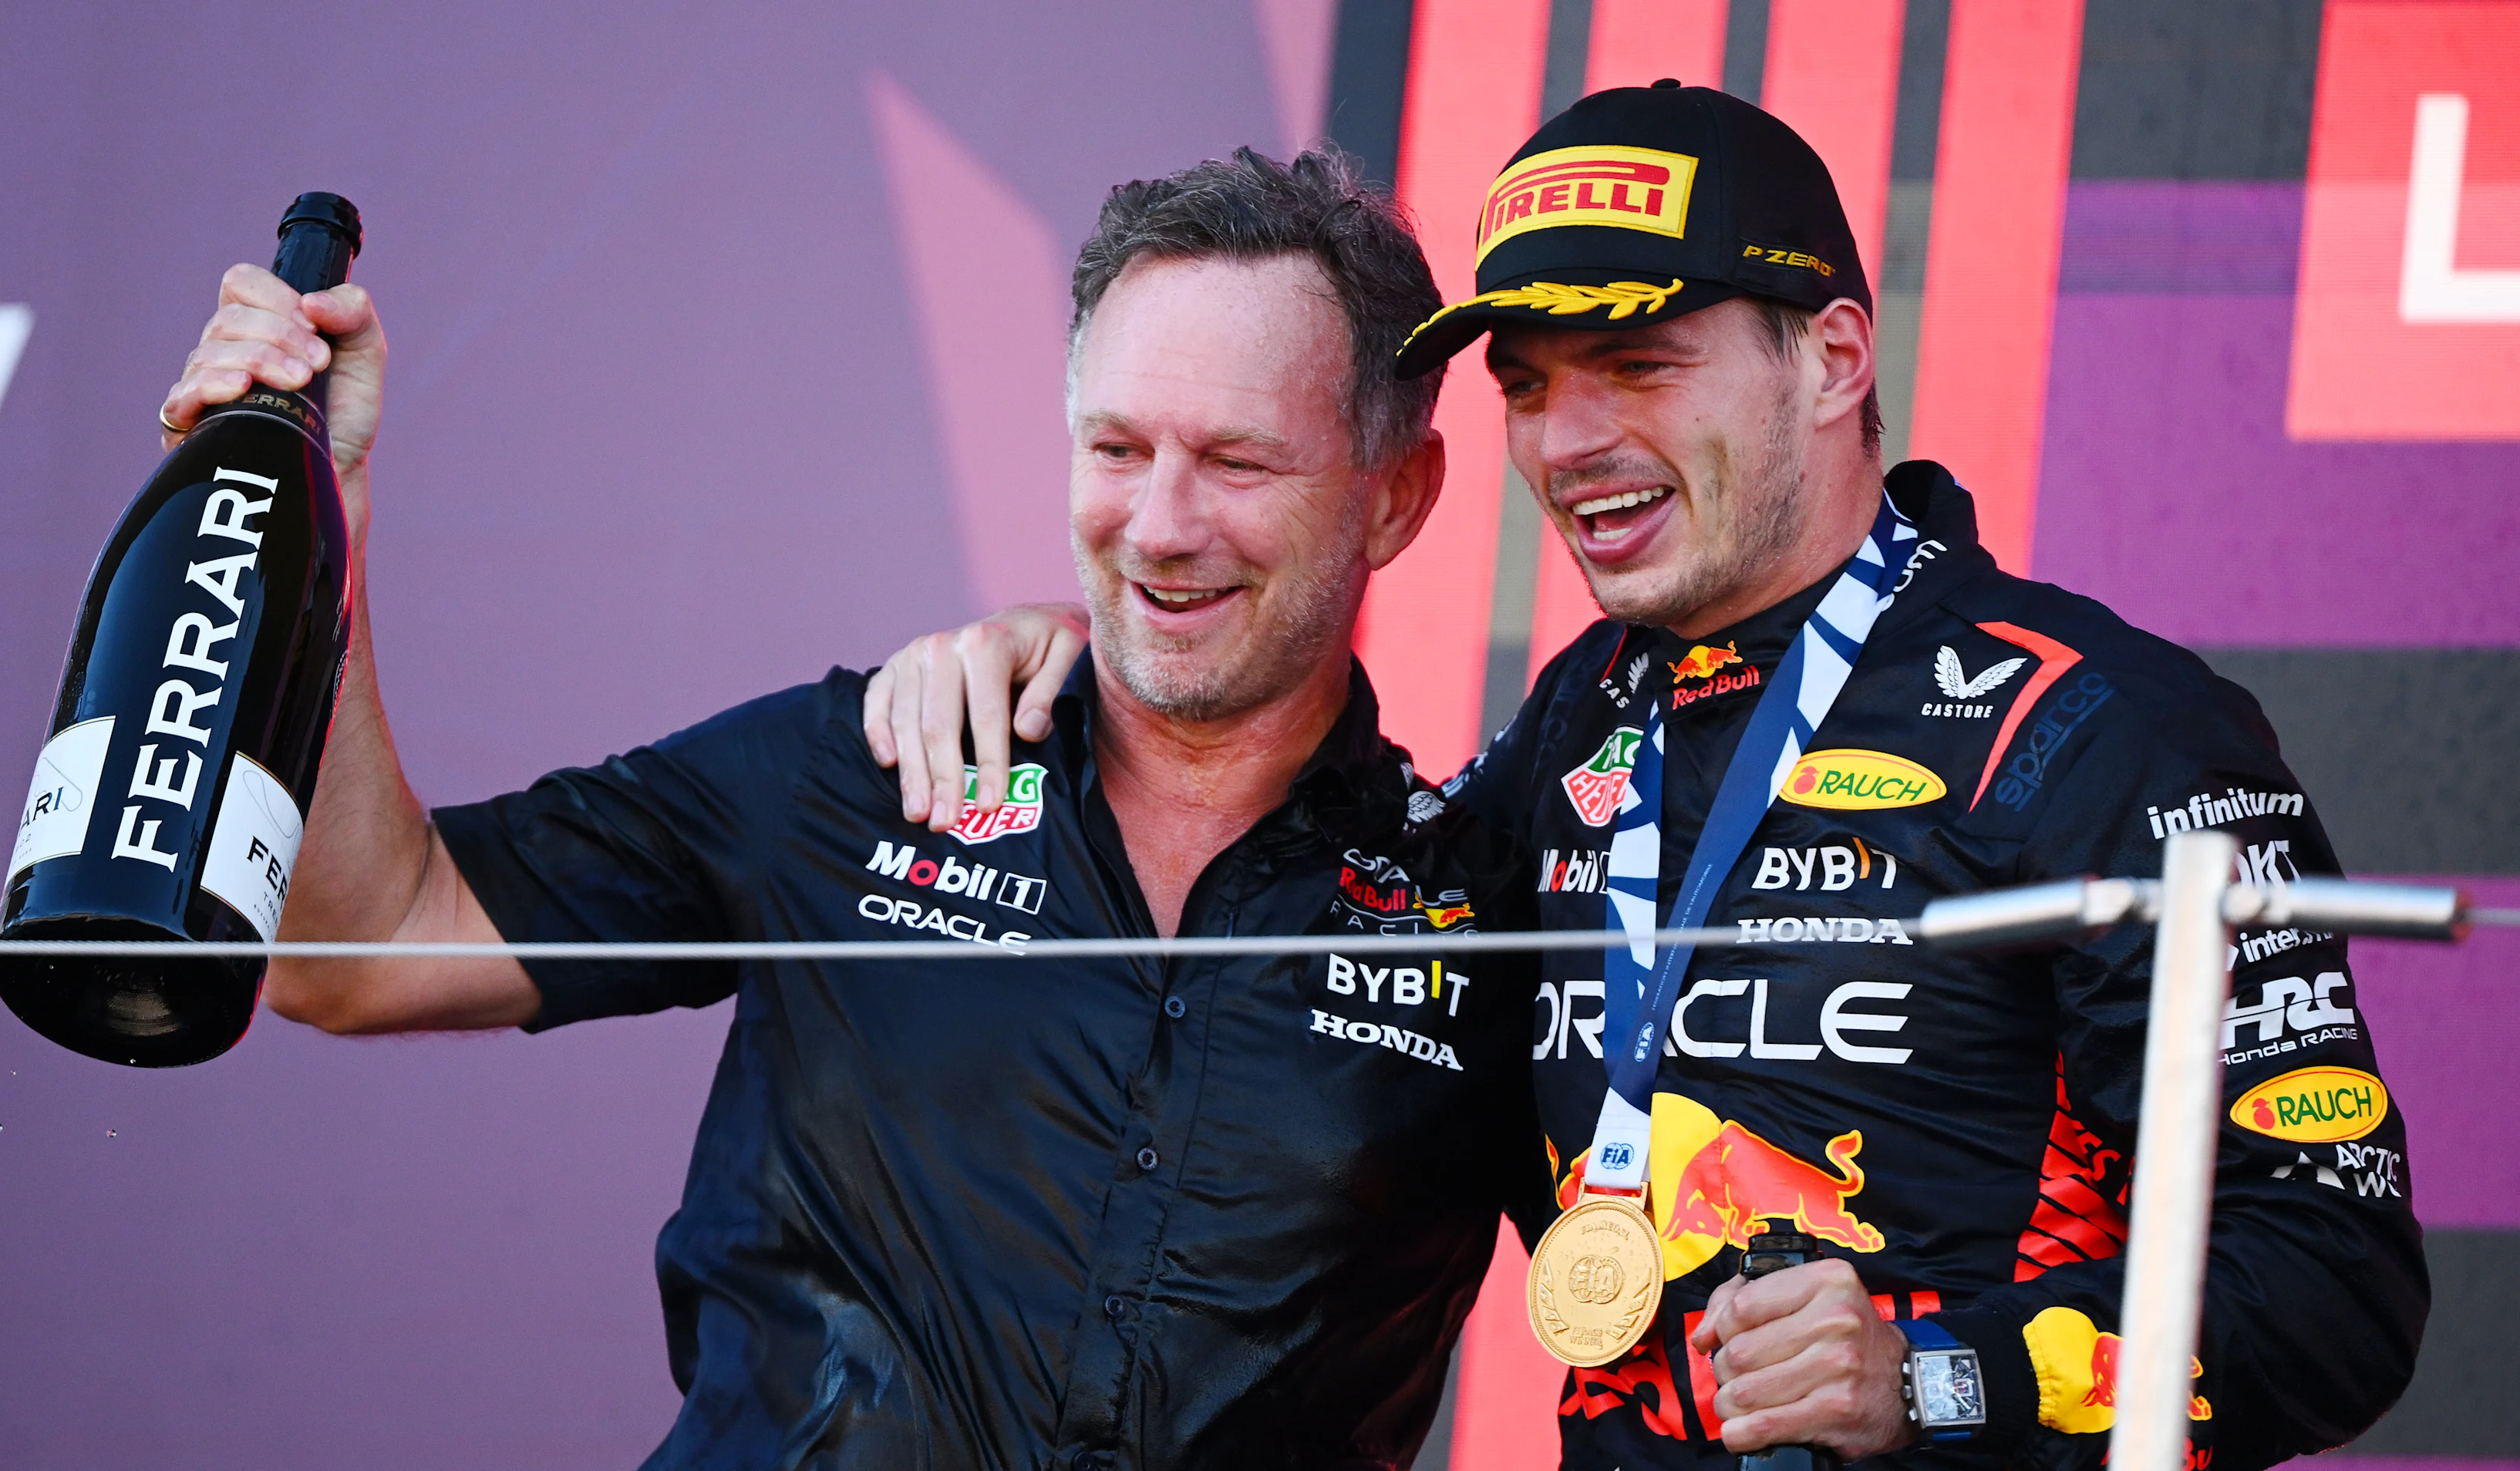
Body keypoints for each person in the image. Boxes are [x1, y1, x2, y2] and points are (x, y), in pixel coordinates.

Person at [865, 85, 2427, 1471]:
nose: (1570, 440)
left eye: (1637, 362)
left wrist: (1936, 1377)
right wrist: (1074, 677)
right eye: (1530, 383)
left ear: (1828, 357)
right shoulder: (1575, 720)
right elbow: (1318, 912)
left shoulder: (2097, 730)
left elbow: (2335, 1276)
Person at [158, 147, 1557, 1469]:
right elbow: (356, 945)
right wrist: (316, 508)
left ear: (1398, 498)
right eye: (1117, 449)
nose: (1161, 524)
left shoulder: (1496, 915)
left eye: (1239, 464)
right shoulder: (866, 764)